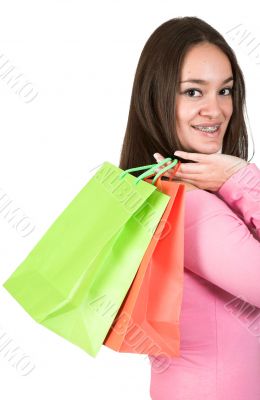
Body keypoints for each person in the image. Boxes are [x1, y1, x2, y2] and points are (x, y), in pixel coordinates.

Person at [118, 16, 260, 400]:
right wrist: (245, 179)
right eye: (194, 93)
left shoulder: (155, 191)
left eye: (225, 91)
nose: (215, 110)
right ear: (156, 97)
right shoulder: (192, 207)